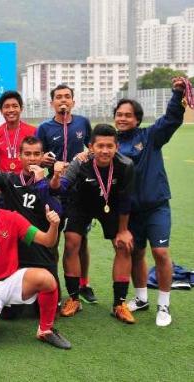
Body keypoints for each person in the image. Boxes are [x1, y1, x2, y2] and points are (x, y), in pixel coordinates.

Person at [0, 173, 71, 358]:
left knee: (47, 279)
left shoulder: (12, 218)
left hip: (12, 279)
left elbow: (48, 241)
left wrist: (54, 226)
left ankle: (45, 330)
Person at [116, 77, 187, 326]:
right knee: (136, 253)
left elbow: (171, 120)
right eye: (119, 114)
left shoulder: (150, 137)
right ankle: (141, 297)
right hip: (130, 212)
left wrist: (177, 94)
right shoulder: (111, 145)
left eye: (128, 115)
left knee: (160, 252)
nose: (122, 118)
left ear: (137, 119)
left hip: (156, 206)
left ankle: (164, 304)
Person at [54, 124, 136, 323]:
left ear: (117, 146)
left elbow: (126, 200)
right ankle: (74, 299)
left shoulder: (126, 165)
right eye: (100, 146)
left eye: (110, 146)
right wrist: (57, 175)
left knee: (123, 245)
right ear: (91, 146)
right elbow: (61, 188)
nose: (105, 150)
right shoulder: (80, 162)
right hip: (81, 204)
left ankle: (119, 304)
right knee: (72, 240)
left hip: (111, 206)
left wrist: (123, 230)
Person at [0, 134, 63, 301]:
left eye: (36, 154)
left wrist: (40, 183)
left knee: (50, 306)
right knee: (11, 314)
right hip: (15, 254)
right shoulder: (9, 180)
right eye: (27, 154)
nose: (32, 158)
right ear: (19, 156)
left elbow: (56, 210)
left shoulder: (51, 183)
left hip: (42, 250)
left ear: (42, 156)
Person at [37, 84, 96, 303]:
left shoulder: (82, 123)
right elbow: (38, 156)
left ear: (73, 101)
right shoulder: (44, 127)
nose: (63, 101)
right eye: (59, 97)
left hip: (79, 190)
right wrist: (45, 161)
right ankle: (53, 286)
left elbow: (92, 148)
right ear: (51, 102)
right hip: (54, 190)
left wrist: (84, 156)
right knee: (51, 240)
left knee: (79, 240)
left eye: (67, 97)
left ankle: (84, 283)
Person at [0, 91, 36, 174]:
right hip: (4, 183)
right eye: (6, 107)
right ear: (1, 110)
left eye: (15, 106)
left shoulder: (33, 131)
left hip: (27, 182)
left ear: (21, 109)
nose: (11, 110)